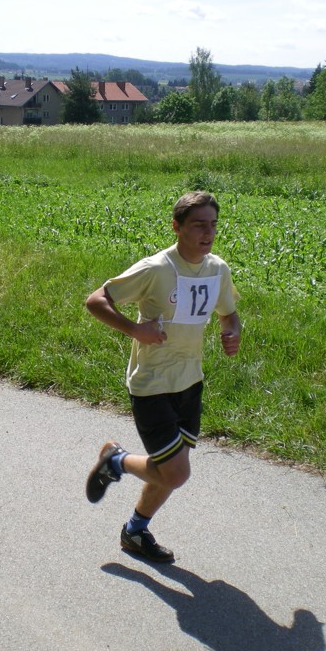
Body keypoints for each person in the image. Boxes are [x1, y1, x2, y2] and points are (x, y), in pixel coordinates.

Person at [84, 191, 241, 562]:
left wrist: (232, 332)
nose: (208, 233)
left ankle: (135, 532)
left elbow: (228, 314)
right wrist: (135, 330)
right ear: (177, 227)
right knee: (176, 473)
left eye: (213, 225)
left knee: (168, 469)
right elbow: (96, 301)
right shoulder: (156, 269)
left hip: (190, 382)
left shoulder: (217, 269)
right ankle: (116, 461)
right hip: (152, 384)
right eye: (199, 225)